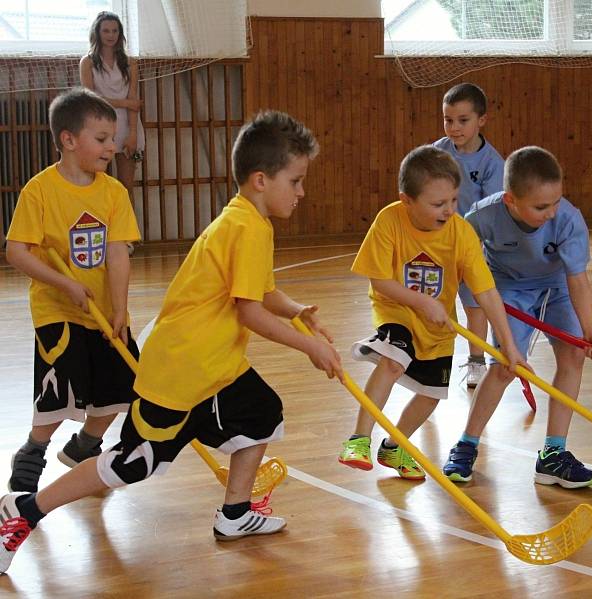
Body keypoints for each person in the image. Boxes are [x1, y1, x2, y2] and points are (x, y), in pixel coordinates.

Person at [0, 110, 344, 574]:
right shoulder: (244, 227)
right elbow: (249, 312)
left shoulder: (250, 222)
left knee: (263, 413)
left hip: (216, 367)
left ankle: (236, 514)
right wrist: (310, 347)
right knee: (130, 465)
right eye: (296, 181)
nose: (302, 192)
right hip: (181, 373)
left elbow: (261, 292)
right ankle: (24, 510)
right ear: (262, 180)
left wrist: (297, 311)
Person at [337, 145, 528, 480]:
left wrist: (508, 347)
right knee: (393, 359)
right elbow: (380, 280)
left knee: (430, 395)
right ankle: (359, 438)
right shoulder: (389, 220)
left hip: (437, 327)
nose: (449, 210)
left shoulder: (462, 234)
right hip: (395, 311)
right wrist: (422, 302)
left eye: (454, 200)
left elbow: (486, 292)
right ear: (406, 199)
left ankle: (395, 447)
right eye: (438, 204)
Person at [4, 88, 141, 495]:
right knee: (59, 395)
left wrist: (120, 309)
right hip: (57, 310)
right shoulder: (40, 191)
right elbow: (16, 252)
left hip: (104, 309)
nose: (111, 147)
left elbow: (118, 254)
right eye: (101, 139)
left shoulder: (114, 193)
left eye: (112, 138)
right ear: (68, 139)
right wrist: (65, 283)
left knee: (119, 391)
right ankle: (33, 451)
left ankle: (86, 446)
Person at [442, 146, 592, 488]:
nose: (551, 212)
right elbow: (460, 263)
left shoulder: (568, 219)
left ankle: (553, 454)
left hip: (556, 286)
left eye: (556, 201)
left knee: (574, 355)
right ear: (510, 201)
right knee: (504, 365)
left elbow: (578, 281)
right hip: (508, 289)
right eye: (540, 206)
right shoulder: (481, 217)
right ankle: (467, 443)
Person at [433, 83, 504, 388]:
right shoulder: (437, 152)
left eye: (463, 120)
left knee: (475, 308)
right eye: (449, 120)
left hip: (473, 249)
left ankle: (476, 361)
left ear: (481, 121)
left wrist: (468, 240)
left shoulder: (492, 164)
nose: (454, 127)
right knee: (436, 304)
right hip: (438, 246)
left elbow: (489, 212)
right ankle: (431, 358)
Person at [79, 11, 144, 225]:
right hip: (99, 126)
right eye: (106, 30)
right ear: (97, 33)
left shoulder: (131, 63)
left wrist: (133, 133)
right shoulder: (87, 62)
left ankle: (127, 236)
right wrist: (124, 103)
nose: (111, 35)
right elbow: (90, 98)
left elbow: (134, 98)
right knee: (98, 184)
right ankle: (101, 233)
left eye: (115, 30)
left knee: (126, 186)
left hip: (127, 125)